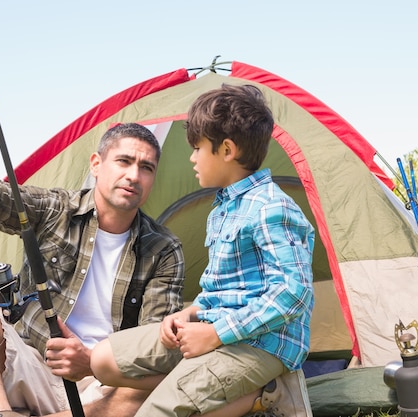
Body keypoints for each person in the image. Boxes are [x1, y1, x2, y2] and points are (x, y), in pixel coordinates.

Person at [0, 46, 185, 417]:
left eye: (146, 168)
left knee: (162, 380)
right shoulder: (53, 209)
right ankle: (0, 413)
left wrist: (93, 359)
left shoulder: (163, 249)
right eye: (124, 161)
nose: (134, 175)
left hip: (105, 384)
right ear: (97, 164)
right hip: (34, 364)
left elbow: (155, 347)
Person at [90, 83, 315, 417]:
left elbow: (292, 293)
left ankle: (265, 391)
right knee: (102, 359)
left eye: (197, 149)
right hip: (215, 328)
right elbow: (223, 289)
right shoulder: (222, 209)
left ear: (226, 150)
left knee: (153, 413)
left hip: (259, 345)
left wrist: (215, 334)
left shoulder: (270, 207)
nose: (192, 158)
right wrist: (189, 314)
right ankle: (210, 388)